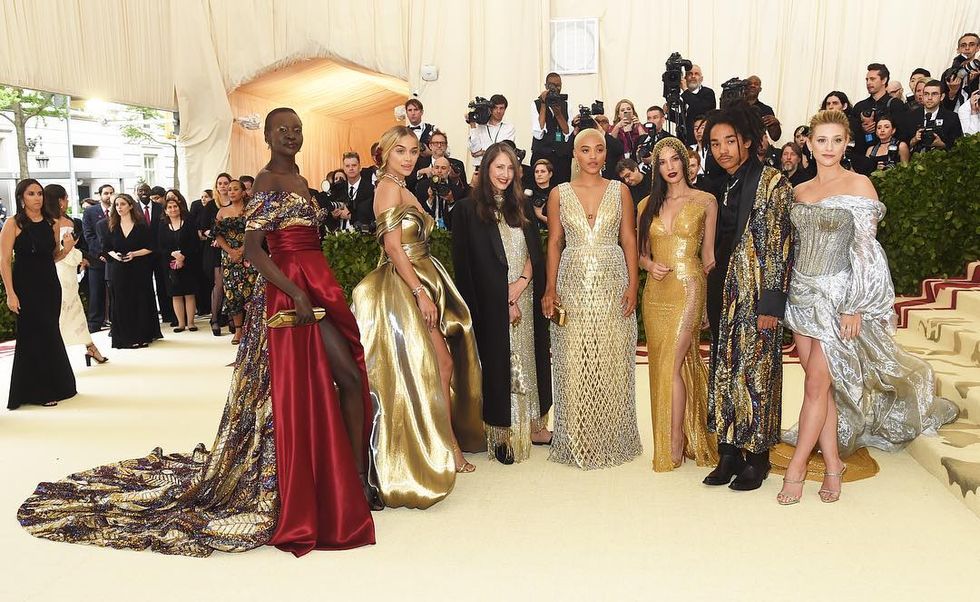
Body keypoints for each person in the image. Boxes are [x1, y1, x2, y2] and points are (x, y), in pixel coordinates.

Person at [18, 107, 378, 556]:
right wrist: (296, 293)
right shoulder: (266, 180)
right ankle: (337, 482)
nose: (291, 135)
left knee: (348, 377)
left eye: (297, 129)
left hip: (317, 282)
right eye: (282, 129)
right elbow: (254, 251)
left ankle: (355, 475)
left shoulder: (302, 179)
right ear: (267, 136)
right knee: (313, 385)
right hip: (290, 291)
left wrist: (316, 287)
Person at [776, 110, 958, 505]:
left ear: (847, 143)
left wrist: (855, 305)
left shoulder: (860, 185)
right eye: (821, 140)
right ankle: (834, 466)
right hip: (802, 296)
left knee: (814, 385)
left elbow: (866, 252)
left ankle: (797, 469)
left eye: (836, 140)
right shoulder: (799, 190)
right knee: (820, 388)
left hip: (839, 297)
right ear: (808, 143)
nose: (828, 148)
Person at [352, 126, 484, 508]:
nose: (409, 158)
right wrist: (419, 293)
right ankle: (446, 447)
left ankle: (445, 443)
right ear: (385, 154)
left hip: (423, 277)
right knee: (439, 365)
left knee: (438, 366)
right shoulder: (387, 188)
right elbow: (393, 248)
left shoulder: (401, 186)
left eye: (413, 151)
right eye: (400, 151)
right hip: (405, 285)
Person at [701, 102, 794, 491]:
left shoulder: (773, 183)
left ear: (748, 141)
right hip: (722, 292)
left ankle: (757, 458)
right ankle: (728, 453)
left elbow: (780, 246)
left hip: (756, 294)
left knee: (757, 372)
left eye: (729, 141)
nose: (722, 150)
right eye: (715, 143)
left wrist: (771, 302)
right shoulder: (718, 185)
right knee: (723, 370)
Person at [542, 128, 642, 470]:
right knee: (573, 357)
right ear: (575, 154)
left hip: (612, 280)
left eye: (599, 149)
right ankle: (577, 437)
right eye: (585, 150)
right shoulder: (559, 193)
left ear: (606, 154)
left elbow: (629, 239)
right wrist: (550, 288)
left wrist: (633, 285)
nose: (593, 156)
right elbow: (554, 242)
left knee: (611, 357)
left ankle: (612, 435)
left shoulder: (620, 191)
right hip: (572, 282)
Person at [452, 143, 553, 465]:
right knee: (500, 364)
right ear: (486, 169)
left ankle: (535, 425)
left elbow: (534, 252)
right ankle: (501, 434)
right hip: (490, 305)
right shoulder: (466, 210)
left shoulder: (521, 206)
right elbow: (468, 266)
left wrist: (520, 286)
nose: (505, 174)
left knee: (530, 358)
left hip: (525, 293)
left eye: (510, 168)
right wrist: (501, 299)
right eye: (499, 167)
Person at [636, 137, 719, 472]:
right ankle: (678, 436)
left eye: (674, 159)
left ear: (685, 161)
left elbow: (709, 259)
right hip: (656, 294)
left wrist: (708, 306)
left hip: (689, 288)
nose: (669, 167)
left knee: (671, 363)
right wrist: (648, 265)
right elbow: (640, 254)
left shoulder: (706, 201)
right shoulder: (646, 205)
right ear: (656, 168)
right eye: (662, 162)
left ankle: (674, 441)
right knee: (663, 365)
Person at [1, 179, 77, 409]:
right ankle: (37, 391)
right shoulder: (13, 223)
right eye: (31, 193)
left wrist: (67, 249)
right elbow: (4, 261)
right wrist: (10, 293)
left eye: (40, 193)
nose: (37, 198)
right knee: (32, 335)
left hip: (49, 285)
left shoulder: (50, 222)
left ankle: (58, 386)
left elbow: (52, 256)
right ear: (21, 198)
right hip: (25, 286)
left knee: (50, 332)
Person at [44, 184, 108, 365]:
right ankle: (78, 348)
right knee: (66, 311)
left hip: (61, 271)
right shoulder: (64, 222)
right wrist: (80, 257)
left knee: (70, 310)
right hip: (63, 271)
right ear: (60, 201)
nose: (68, 201)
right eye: (66, 198)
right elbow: (66, 251)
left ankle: (88, 346)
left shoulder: (47, 222)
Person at [103, 193, 162, 349]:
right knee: (122, 302)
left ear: (130, 206)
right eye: (117, 205)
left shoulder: (141, 226)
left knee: (140, 300)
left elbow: (151, 247)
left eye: (122, 204)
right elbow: (107, 248)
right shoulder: (112, 226)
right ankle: (125, 337)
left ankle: (142, 335)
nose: (119, 207)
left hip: (139, 268)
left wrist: (134, 254)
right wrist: (116, 256)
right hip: (119, 269)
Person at [213, 179, 258, 345]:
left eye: (235, 189)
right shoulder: (222, 211)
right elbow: (217, 235)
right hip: (229, 257)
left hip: (249, 254)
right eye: (229, 189)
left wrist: (242, 250)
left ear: (243, 192)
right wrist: (231, 251)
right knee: (233, 293)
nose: (231, 192)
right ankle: (238, 330)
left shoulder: (251, 210)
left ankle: (253, 328)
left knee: (251, 291)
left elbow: (256, 232)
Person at [158, 190, 199, 332]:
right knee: (176, 294)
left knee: (189, 293)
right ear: (165, 211)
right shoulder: (162, 225)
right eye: (169, 207)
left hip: (189, 262)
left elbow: (194, 243)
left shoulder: (188, 223)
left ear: (179, 207)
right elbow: (161, 245)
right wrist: (173, 255)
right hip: (169, 264)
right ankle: (181, 323)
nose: (173, 209)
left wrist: (183, 256)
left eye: (175, 206)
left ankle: (191, 323)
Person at [137, 183, 175, 326]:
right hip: (141, 253)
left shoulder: (160, 207)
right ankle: (149, 317)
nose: (143, 193)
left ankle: (168, 315)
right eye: (140, 190)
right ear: (136, 193)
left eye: (146, 190)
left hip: (160, 252)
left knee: (163, 284)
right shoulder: (133, 208)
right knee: (144, 285)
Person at [82, 183, 114, 332]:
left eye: (111, 193)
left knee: (114, 292)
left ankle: (116, 321)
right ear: (100, 195)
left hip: (114, 258)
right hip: (96, 258)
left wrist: (110, 253)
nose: (109, 196)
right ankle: (95, 323)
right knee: (96, 292)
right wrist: (101, 253)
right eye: (106, 193)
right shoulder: (90, 212)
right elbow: (89, 235)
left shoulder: (118, 210)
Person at [531, 72, 573, 184]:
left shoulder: (566, 105)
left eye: (558, 85)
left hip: (561, 157)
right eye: (552, 85)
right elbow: (538, 133)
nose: (556, 88)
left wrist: (558, 114)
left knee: (562, 188)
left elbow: (567, 133)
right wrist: (543, 104)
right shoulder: (536, 104)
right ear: (546, 86)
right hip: (541, 155)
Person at [203, 173, 231, 335]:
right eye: (220, 183)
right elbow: (203, 228)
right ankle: (214, 318)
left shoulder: (236, 204)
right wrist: (216, 238)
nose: (223, 186)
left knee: (231, 284)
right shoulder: (211, 205)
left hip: (232, 248)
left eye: (225, 183)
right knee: (219, 284)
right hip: (215, 249)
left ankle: (232, 318)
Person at [906, 80, 964, 153]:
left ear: (942, 97)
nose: (929, 98)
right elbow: (903, 145)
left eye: (934, 94)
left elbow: (957, 147)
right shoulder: (911, 116)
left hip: (943, 158)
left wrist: (942, 145)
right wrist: (914, 140)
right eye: (926, 94)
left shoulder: (952, 118)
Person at [414, 156, 469, 229]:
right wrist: (430, 199)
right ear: (433, 169)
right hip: (428, 229)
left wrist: (451, 201)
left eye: (443, 168)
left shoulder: (457, 190)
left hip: (448, 231)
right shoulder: (422, 187)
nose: (439, 171)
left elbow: (458, 219)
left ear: (449, 170)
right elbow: (419, 213)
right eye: (437, 167)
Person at [468, 94, 516, 173]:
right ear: (490, 109)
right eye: (495, 108)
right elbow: (475, 150)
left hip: (500, 169)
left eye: (501, 108)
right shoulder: (480, 126)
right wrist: (472, 125)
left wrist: (482, 152)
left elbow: (503, 151)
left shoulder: (509, 127)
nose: (498, 111)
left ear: (505, 109)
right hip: (480, 169)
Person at [188, 188, 213, 315]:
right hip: (198, 248)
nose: (203, 199)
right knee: (200, 277)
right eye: (202, 197)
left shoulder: (213, 209)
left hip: (210, 246)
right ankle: (201, 306)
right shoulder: (196, 208)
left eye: (206, 196)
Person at [745, 75, 782, 140]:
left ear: (760, 89)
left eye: (756, 84)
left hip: (757, 144)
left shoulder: (766, 109)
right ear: (744, 87)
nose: (752, 85)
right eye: (749, 84)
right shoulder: (735, 107)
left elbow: (775, 137)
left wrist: (776, 124)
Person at [528, 158, 555, 226]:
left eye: (543, 171)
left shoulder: (555, 193)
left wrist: (540, 216)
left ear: (550, 174)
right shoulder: (527, 192)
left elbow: (559, 224)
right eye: (536, 172)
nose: (539, 174)